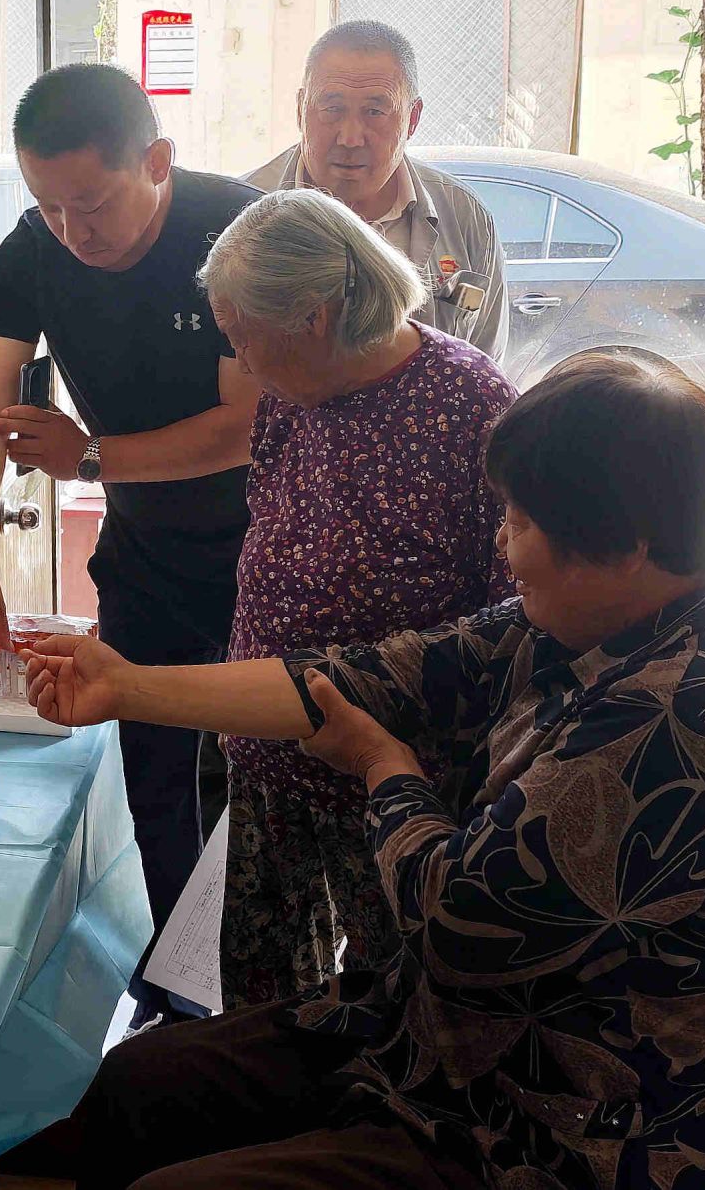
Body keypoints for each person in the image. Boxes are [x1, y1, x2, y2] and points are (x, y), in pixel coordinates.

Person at [25, 353, 705, 1190]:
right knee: (138, 1084)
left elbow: (455, 922)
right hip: (444, 1041)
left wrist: (383, 767)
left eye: (521, 522)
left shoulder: (682, 715)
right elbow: (370, 676)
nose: (502, 542)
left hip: (564, 1128)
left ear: (629, 548)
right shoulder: (595, 623)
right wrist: (127, 686)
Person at [0, 62, 260, 1021]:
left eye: (93, 203)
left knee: (268, 777)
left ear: (156, 161)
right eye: (50, 205)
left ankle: (261, 998)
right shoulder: (35, 251)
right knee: (153, 776)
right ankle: (176, 999)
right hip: (150, 555)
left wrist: (90, 458)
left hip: (269, 549)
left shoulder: (237, 232)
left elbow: (246, 424)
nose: (73, 232)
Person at [200, 188, 515, 1007]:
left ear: (313, 318)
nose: (238, 361)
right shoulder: (288, 390)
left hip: (388, 776)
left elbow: (513, 614)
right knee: (263, 1003)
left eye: (242, 336)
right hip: (269, 751)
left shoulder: (469, 403)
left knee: (393, 1005)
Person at [244, 20, 507, 363]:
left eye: (374, 112)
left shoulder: (464, 217)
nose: (350, 138)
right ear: (300, 109)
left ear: (412, 119)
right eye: (332, 109)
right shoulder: (241, 211)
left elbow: (484, 363)